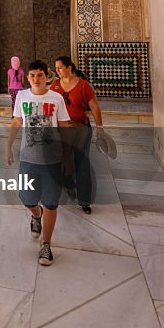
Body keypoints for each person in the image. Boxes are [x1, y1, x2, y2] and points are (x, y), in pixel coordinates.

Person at [6, 60, 72, 266]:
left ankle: (46, 245)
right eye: (32, 75)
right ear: (28, 78)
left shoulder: (56, 98)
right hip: (29, 158)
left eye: (40, 75)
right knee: (26, 197)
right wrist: (8, 145)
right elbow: (17, 120)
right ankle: (36, 214)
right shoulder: (22, 96)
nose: (36, 79)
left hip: (53, 159)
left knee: (51, 203)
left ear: (47, 77)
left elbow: (64, 125)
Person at [51, 56, 105, 214]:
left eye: (60, 67)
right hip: (62, 129)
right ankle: (68, 186)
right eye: (56, 68)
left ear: (69, 67)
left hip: (80, 128)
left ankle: (84, 200)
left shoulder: (83, 85)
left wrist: (100, 128)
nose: (58, 71)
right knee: (62, 160)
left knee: (82, 162)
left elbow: (94, 107)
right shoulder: (55, 85)